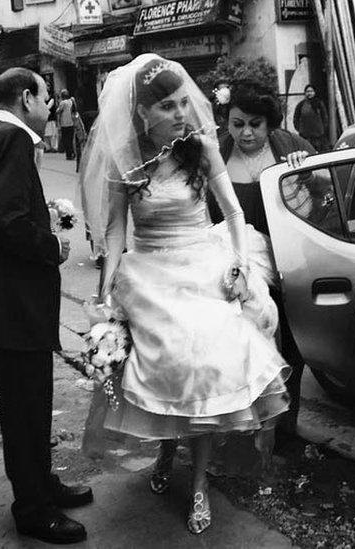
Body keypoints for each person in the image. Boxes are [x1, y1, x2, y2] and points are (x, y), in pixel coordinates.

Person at [79, 54, 290, 535]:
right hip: (149, 275)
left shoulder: (202, 148)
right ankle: (165, 452)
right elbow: (114, 234)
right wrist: (106, 291)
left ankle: (197, 482)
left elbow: (234, 214)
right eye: (167, 107)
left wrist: (238, 264)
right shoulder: (126, 161)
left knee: (203, 372)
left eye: (182, 103)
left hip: (204, 266)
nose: (180, 113)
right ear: (143, 115)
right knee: (163, 374)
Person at [0, 68, 91, 545]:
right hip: (17, 308)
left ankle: (42, 485)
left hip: (0, 304)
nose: (49, 107)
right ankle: (32, 509)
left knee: (29, 405)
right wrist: (51, 246)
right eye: (46, 97)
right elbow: (7, 219)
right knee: (25, 410)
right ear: (27, 96)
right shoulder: (10, 140)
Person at [208, 79, 314, 442]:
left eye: (255, 124)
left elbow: (321, 203)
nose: (246, 132)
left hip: (286, 267)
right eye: (238, 124)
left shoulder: (293, 148)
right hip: (234, 271)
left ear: (270, 124)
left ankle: (285, 429)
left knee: (290, 351)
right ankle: (242, 434)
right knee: (240, 352)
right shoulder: (216, 155)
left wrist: (303, 172)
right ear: (227, 122)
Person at [293, 84, 330, 152]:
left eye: (311, 91)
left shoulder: (319, 104)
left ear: (314, 92)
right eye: (307, 91)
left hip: (318, 136)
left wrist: (322, 129)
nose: (309, 93)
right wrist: (299, 129)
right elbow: (296, 118)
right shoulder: (301, 105)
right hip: (305, 136)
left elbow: (325, 118)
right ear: (305, 93)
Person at [56, 90, 76, 160]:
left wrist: (58, 103)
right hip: (71, 123)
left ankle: (69, 154)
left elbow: (58, 111)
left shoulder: (63, 103)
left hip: (64, 124)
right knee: (70, 139)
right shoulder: (71, 101)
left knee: (65, 139)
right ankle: (72, 152)